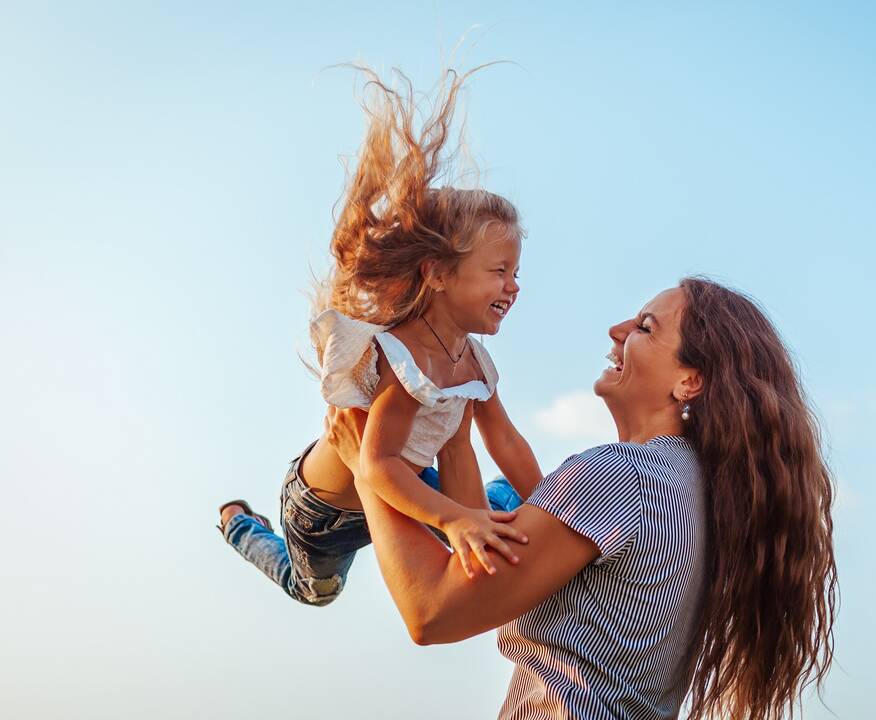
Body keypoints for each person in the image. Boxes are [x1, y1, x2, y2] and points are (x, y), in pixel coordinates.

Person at [326, 278, 838, 720]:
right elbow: (482, 568)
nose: (617, 331)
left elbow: (433, 613)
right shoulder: (691, 487)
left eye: (645, 327)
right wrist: (458, 439)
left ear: (690, 381)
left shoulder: (620, 478)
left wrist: (367, 466)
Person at [217, 66, 543, 607]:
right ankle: (239, 528)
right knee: (315, 593)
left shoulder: (475, 363)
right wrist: (455, 519)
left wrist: (554, 506)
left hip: (411, 492)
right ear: (438, 274)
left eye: (515, 272)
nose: (514, 286)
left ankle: (515, 508)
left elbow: (498, 441)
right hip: (330, 513)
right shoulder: (402, 356)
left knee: (503, 516)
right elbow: (379, 464)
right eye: (500, 271)